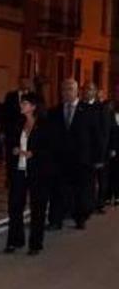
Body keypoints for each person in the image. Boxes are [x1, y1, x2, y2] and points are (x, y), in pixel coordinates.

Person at [46, 79, 104, 230]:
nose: (66, 92)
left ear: (77, 91)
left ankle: (80, 218)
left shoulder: (88, 111)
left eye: (70, 89)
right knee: (57, 190)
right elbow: (49, 136)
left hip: (82, 159)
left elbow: (96, 135)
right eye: (64, 89)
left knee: (81, 190)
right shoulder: (54, 112)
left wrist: (98, 158)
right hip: (60, 159)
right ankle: (55, 220)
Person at [5, 93, 53, 255]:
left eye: (24, 103)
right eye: (21, 103)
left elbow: (50, 148)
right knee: (14, 207)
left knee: (37, 208)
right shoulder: (18, 123)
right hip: (19, 170)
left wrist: (33, 153)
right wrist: (14, 150)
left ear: (33, 106)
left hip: (38, 171)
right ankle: (14, 240)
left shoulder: (45, 124)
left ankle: (35, 244)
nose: (21, 106)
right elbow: (11, 142)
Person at [83, 82, 112, 214]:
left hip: (99, 150)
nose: (87, 91)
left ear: (94, 92)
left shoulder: (101, 108)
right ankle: (88, 204)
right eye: (85, 89)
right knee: (87, 180)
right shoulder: (80, 106)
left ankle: (100, 203)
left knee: (101, 178)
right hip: (84, 151)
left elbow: (105, 132)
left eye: (90, 89)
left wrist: (101, 154)